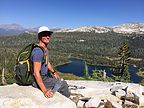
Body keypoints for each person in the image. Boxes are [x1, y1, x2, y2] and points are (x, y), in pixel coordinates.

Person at [31, 26, 70, 98]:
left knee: (58, 80)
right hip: (39, 79)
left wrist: (54, 72)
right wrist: (44, 90)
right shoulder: (38, 51)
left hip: (45, 77)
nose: (47, 36)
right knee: (63, 84)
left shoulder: (44, 49)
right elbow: (36, 73)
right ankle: (67, 101)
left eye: (49, 35)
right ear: (39, 36)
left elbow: (46, 62)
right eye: (45, 34)